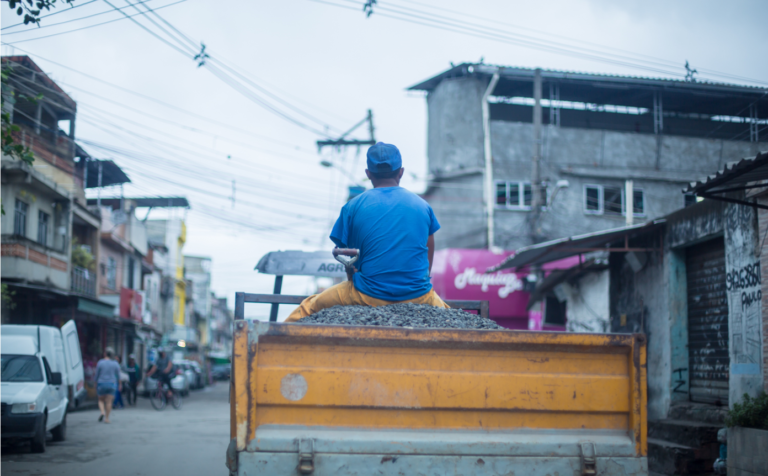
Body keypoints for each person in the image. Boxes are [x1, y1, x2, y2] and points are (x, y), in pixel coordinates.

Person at [286, 142, 449, 321]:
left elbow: (348, 254)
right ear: (401, 172)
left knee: (307, 308)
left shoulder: (353, 206)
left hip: (366, 294)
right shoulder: (423, 206)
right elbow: (428, 257)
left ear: (368, 173)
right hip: (420, 296)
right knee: (452, 316)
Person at [95, 347, 121, 423]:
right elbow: (118, 376)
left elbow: (97, 374)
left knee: (101, 400)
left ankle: (102, 412)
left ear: (105, 353)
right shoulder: (115, 363)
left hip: (101, 383)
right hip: (112, 384)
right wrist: (120, 384)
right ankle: (107, 418)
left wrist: (95, 383)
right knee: (109, 402)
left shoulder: (100, 362)